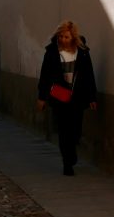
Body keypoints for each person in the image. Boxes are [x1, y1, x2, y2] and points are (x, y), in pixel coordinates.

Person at [37, 20, 98, 176]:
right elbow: (45, 76)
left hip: (78, 96)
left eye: (66, 37)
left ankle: (72, 152)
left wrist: (92, 97)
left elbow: (89, 75)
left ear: (73, 37)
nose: (63, 39)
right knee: (64, 130)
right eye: (61, 36)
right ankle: (67, 162)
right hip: (59, 95)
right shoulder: (51, 52)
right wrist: (42, 97)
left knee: (75, 130)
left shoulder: (82, 52)